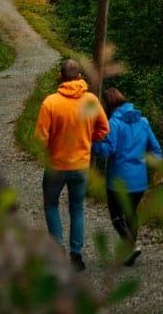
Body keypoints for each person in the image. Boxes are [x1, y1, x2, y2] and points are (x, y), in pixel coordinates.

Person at [34, 58, 109, 271]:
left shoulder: (50, 102)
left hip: (56, 164)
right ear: (79, 77)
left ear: (60, 76)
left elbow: (40, 136)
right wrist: (87, 138)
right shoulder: (91, 101)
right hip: (81, 165)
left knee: (51, 205)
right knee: (76, 209)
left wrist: (50, 149)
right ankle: (76, 255)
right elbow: (104, 130)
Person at [92, 87, 163, 266]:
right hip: (139, 181)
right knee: (131, 214)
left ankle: (131, 247)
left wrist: (91, 143)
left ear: (107, 105)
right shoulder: (143, 122)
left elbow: (108, 150)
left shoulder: (114, 124)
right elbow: (155, 148)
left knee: (116, 216)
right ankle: (129, 254)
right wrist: (158, 170)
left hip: (118, 181)